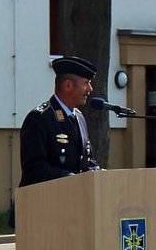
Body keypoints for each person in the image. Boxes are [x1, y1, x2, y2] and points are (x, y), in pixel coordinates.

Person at [8, 56, 101, 227]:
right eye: (86, 83)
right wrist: (71, 179)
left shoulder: (79, 118)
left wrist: (99, 174)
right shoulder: (40, 118)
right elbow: (34, 168)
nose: (90, 89)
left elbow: (85, 161)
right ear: (68, 85)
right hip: (41, 211)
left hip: (72, 211)